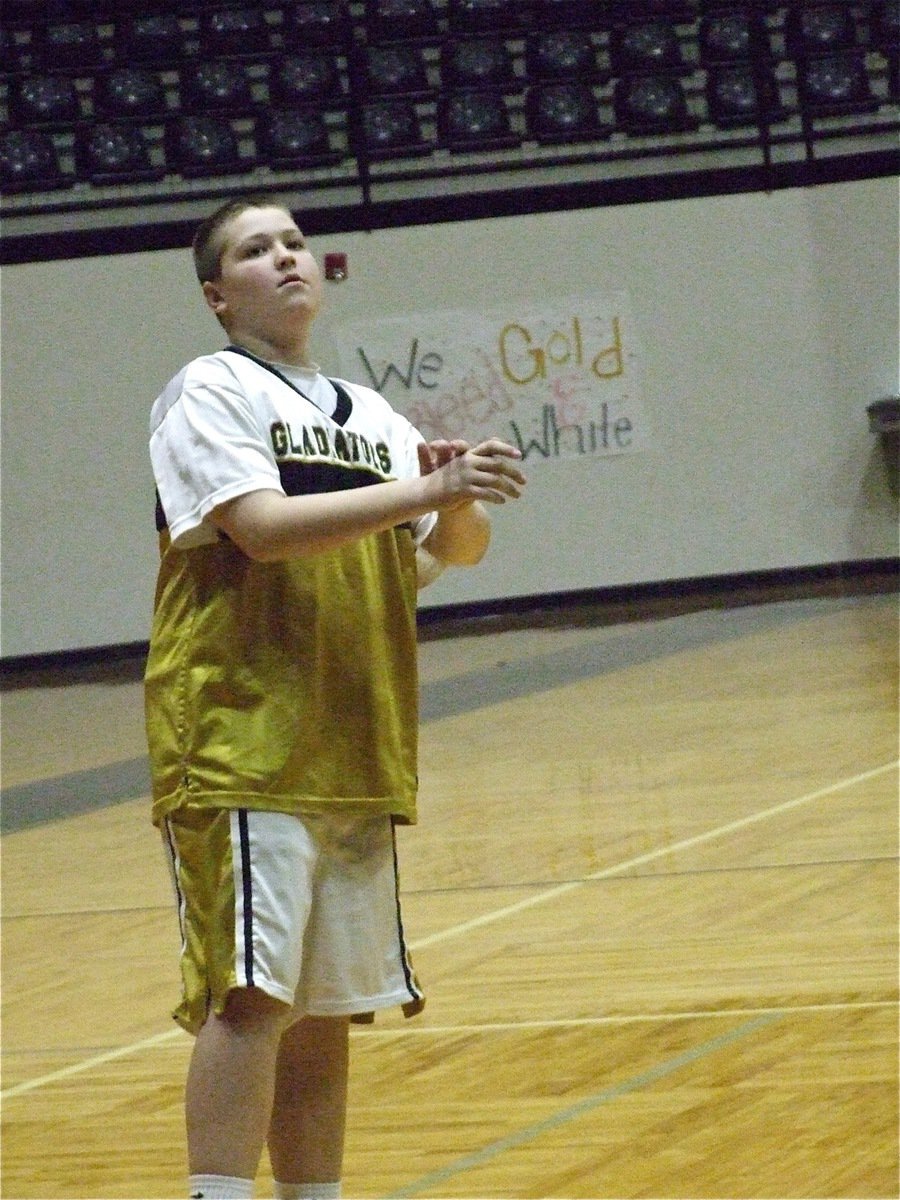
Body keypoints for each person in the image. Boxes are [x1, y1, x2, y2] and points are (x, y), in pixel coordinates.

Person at [144, 195, 526, 1200]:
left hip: (353, 738)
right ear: (219, 294)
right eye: (256, 250)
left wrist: (462, 492)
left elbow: (448, 554)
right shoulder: (209, 389)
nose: (286, 258)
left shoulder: (373, 415)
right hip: (242, 734)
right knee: (253, 996)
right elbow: (261, 527)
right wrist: (424, 493)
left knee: (321, 1008)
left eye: (296, 243)